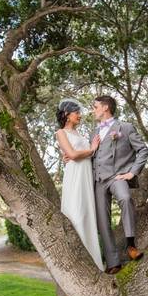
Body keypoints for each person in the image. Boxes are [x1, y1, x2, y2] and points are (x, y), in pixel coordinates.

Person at [86, 95, 148, 274]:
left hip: (117, 177)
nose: (93, 110)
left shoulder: (126, 128)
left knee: (125, 197)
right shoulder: (94, 132)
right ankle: (113, 262)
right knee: (102, 221)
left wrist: (132, 172)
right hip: (98, 180)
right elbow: (90, 155)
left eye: (95, 106)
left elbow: (143, 150)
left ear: (105, 107)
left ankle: (131, 246)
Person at [55, 99, 104, 270]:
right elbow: (73, 154)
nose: (80, 115)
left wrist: (85, 152)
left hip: (86, 176)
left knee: (86, 213)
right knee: (76, 213)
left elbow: (76, 154)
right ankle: (77, 262)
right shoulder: (61, 132)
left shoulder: (80, 135)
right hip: (75, 176)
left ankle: (93, 261)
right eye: (77, 112)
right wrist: (91, 149)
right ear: (67, 115)